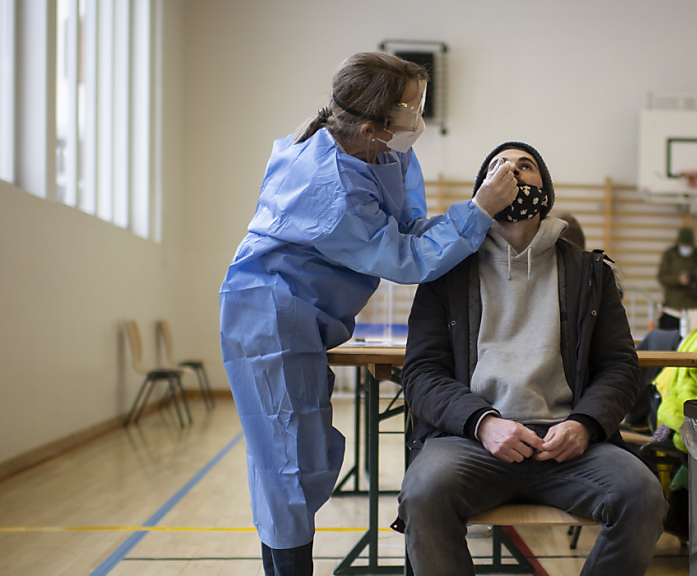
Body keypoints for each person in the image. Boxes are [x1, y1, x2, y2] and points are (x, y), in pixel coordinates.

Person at [218, 53, 518, 576]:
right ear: (369, 126)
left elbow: (410, 228)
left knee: (301, 457)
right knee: (289, 463)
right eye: (408, 112)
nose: (416, 123)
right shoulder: (327, 189)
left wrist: (471, 216)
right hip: (269, 311)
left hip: (305, 310)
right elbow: (407, 258)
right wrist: (479, 211)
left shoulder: (382, 153)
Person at [395, 142, 667, 576]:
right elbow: (422, 373)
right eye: (500, 166)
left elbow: (619, 366)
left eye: (526, 166)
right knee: (424, 492)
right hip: (472, 441)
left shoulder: (591, 273)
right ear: (484, 189)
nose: (513, 172)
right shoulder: (446, 272)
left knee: (644, 495)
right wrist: (483, 422)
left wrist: (585, 423)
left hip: (567, 445)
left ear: (546, 189)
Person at [656, 226, 697, 330]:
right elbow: (661, 277)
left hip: (695, 309)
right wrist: (678, 279)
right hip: (673, 309)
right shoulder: (670, 255)